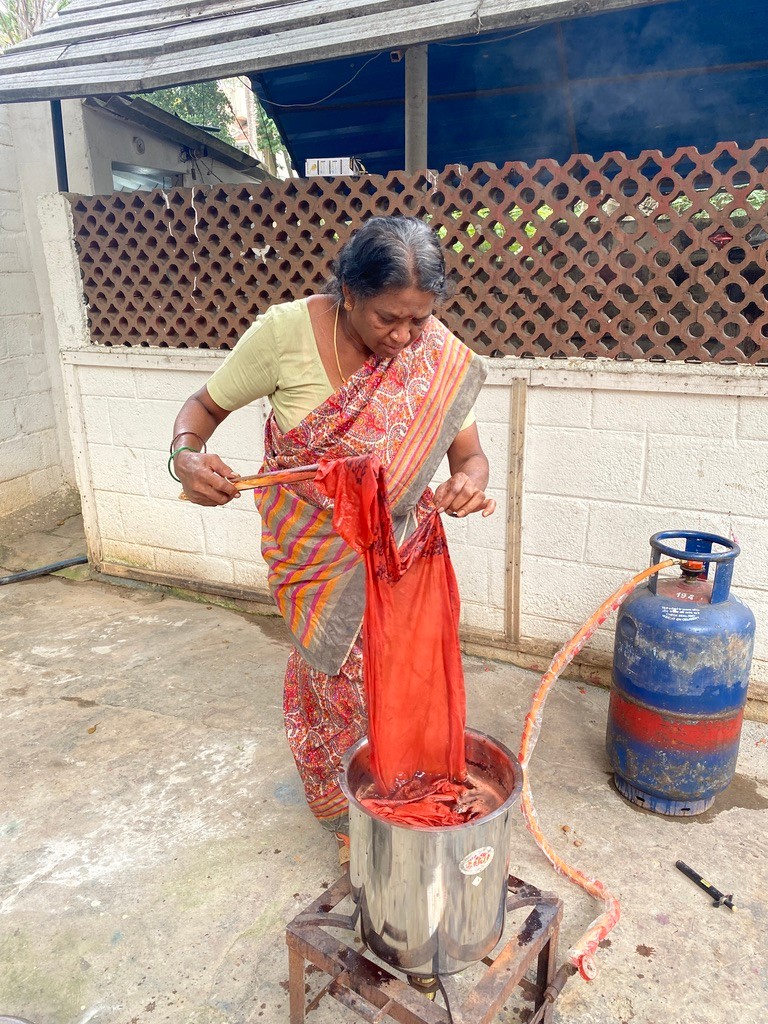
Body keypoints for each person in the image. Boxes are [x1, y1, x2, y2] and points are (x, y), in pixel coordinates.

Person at [170, 215, 495, 846]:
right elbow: (203, 409)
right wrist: (185, 456)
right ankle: (353, 826)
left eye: (418, 320)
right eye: (387, 319)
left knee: (406, 681)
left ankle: (409, 803)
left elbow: (471, 457)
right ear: (349, 292)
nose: (403, 337)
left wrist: (469, 482)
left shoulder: (434, 354)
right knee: (335, 689)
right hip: (314, 560)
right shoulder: (283, 333)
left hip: (400, 561)